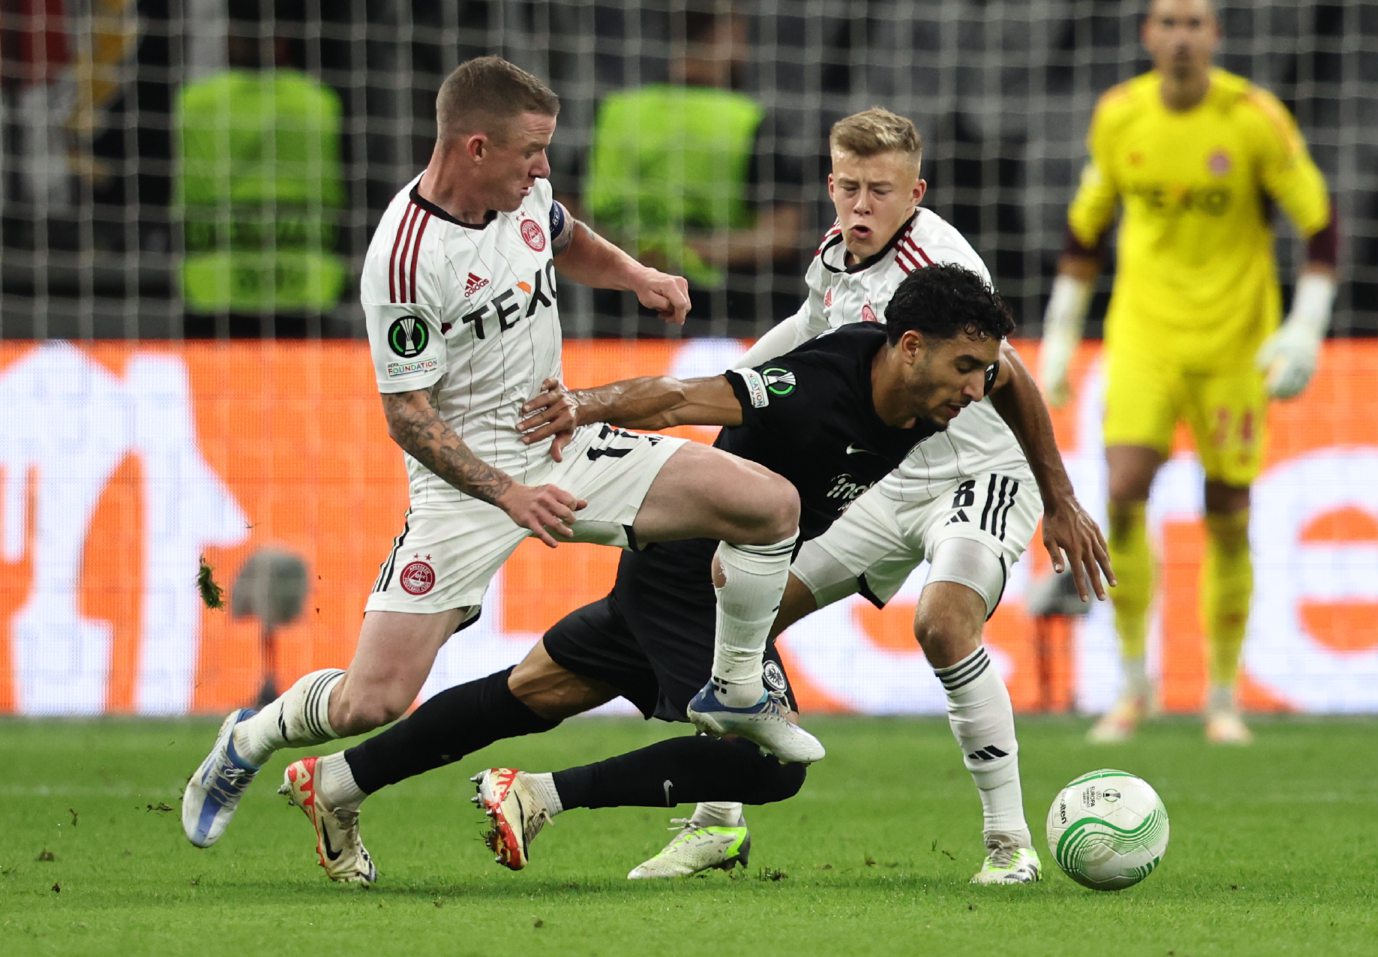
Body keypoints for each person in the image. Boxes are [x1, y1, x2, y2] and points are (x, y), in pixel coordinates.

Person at [180, 55, 822, 860]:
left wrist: (637, 276)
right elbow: (407, 417)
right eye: (531, 152)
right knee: (367, 701)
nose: (544, 168)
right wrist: (510, 493)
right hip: (465, 486)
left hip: (566, 438)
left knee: (770, 504)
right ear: (475, 147)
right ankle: (255, 734)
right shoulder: (405, 258)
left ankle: (735, 692)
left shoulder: (524, 197)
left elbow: (562, 234)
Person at [610, 107, 1113, 883]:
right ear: (830, 182)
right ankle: (717, 822)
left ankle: (1009, 846)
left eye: (880, 190)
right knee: (745, 603)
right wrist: (738, 386)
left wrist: (1061, 498)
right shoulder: (837, 253)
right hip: (888, 475)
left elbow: (1009, 379)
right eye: (848, 187)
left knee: (944, 625)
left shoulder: (942, 270)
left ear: (915, 191)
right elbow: (809, 324)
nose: (861, 206)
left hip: (977, 475)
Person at [1037, 0, 1338, 746]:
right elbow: (1085, 231)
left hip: (1235, 345)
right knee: (1126, 489)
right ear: (1147, 34)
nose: (1180, 37)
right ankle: (1134, 685)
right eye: (1167, 22)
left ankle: (1223, 695)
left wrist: (1304, 327)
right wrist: (1059, 340)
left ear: (1216, 36)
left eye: (1194, 23)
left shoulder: (1253, 118)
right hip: (1144, 336)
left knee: (1227, 512)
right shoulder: (1119, 116)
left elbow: (1320, 223)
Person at [582, 2, 804, 326]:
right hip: (717, 321)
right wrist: (690, 251)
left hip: (617, 319)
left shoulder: (615, 112)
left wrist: (634, 254)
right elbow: (784, 232)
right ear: (728, 31)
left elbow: (562, 212)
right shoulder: (748, 120)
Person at [174, 0, 349, 338]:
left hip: (213, 290)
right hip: (307, 291)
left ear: (229, 36)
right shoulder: (320, 104)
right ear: (280, 37)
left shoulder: (193, 104)